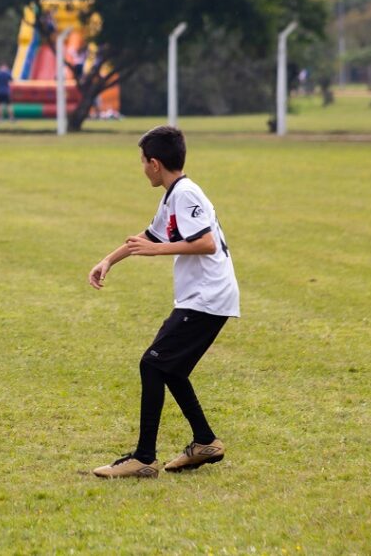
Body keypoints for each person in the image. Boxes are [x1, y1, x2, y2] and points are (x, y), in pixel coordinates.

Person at [88, 125, 239, 478]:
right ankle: (204, 442)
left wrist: (157, 251)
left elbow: (205, 243)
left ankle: (144, 458)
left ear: (155, 163)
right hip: (202, 298)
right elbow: (149, 235)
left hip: (207, 298)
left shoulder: (185, 194)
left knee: (152, 363)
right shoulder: (174, 195)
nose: (142, 168)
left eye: (142, 161)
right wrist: (108, 260)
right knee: (168, 368)